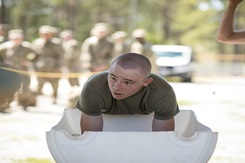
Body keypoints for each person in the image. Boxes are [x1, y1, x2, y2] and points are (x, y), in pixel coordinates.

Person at [75, 53, 180, 133]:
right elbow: (91, 140)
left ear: (146, 82)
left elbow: (162, 141)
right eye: (113, 78)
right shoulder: (94, 87)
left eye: (127, 82)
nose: (116, 87)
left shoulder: (163, 93)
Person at [0, 29, 38, 110]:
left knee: (25, 86)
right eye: (14, 39)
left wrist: (28, 60)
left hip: (23, 70)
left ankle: (24, 102)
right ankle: (7, 104)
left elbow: (36, 54)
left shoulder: (27, 46)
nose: (16, 40)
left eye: (18, 38)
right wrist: (3, 62)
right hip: (10, 71)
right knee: (10, 87)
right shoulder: (5, 47)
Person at [32, 25, 64, 104]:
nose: (45, 35)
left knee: (55, 84)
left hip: (53, 67)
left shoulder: (57, 43)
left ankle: (54, 98)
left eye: (47, 34)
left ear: (51, 34)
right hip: (40, 66)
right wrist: (34, 67)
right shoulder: (37, 43)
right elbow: (33, 56)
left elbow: (61, 56)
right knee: (39, 83)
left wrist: (59, 67)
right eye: (43, 34)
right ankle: (34, 100)